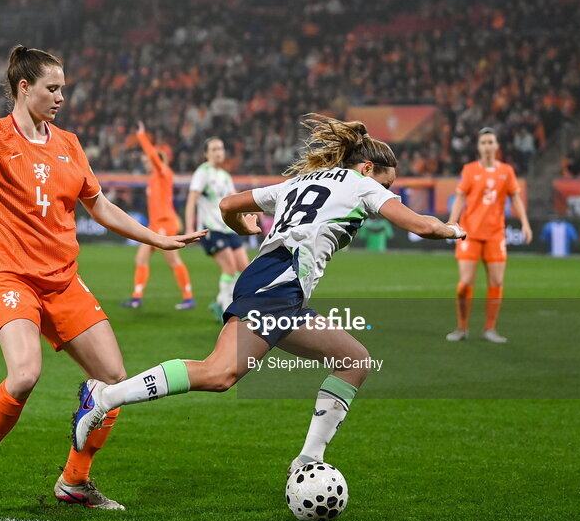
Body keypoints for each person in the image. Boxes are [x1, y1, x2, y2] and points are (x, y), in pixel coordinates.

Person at [0, 45, 205, 519]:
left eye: (63, 89)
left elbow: (102, 207)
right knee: (25, 374)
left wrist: (157, 238)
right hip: (10, 277)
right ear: (24, 87)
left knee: (114, 379)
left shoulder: (69, 143)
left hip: (63, 282)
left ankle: (75, 481)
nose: (60, 97)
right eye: (52, 88)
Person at [71, 114, 465, 476]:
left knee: (353, 359)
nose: (387, 192)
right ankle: (105, 397)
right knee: (219, 373)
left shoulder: (301, 181)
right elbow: (420, 225)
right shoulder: (362, 184)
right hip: (275, 284)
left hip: (278, 286)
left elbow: (228, 205)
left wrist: (241, 226)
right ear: (366, 168)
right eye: (387, 184)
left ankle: (308, 460)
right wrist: (450, 229)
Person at [446, 127, 532, 344]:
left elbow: (516, 199)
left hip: (495, 235)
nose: (487, 146)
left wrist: (525, 223)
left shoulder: (507, 171)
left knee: (496, 281)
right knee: (465, 283)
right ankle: (462, 327)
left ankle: (490, 329)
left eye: (490, 142)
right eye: (483, 142)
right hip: (470, 234)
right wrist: (451, 222)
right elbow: (460, 198)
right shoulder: (469, 170)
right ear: (478, 147)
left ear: (497, 146)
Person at [121, 121, 195, 310]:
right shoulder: (154, 178)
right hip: (155, 225)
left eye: (147, 161)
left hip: (165, 224)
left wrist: (141, 136)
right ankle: (136, 297)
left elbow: (153, 156)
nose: (145, 163)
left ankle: (188, 297)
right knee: (140, 258)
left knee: (172, 260)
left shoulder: (164, 173)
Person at [185, 137, 248, 319]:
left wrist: (252, 210)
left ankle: (220, 301)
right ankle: (227, 310)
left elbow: (234, 200)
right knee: (229, 269)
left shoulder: (225, 176)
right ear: (206, 154)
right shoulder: (202, 172)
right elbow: (192, 200)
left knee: (244, 269)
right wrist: (190, 227)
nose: (218, 152)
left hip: (229, 228)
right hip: (211, 229)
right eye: (213, 149)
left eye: (220, 148)